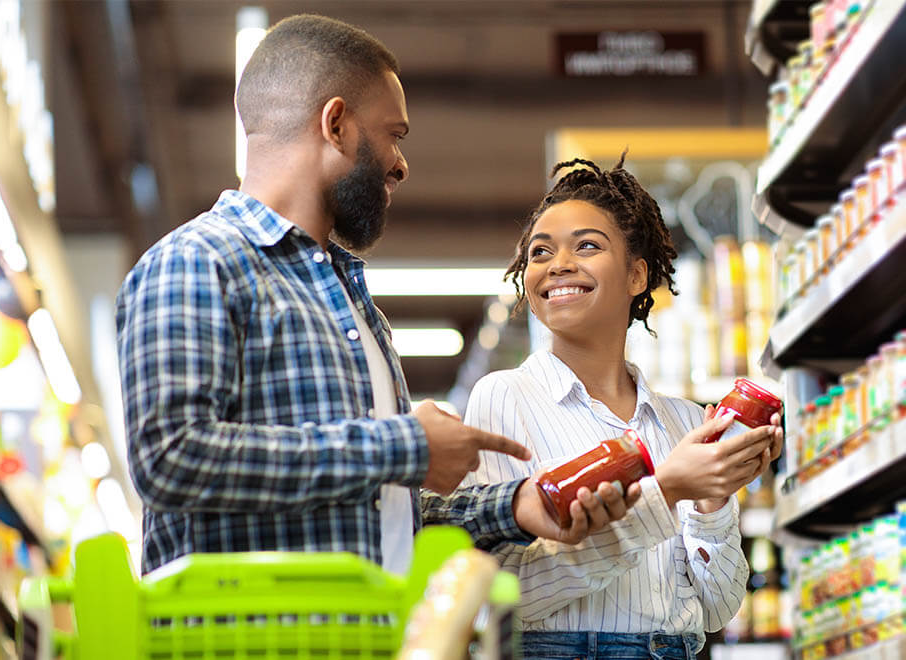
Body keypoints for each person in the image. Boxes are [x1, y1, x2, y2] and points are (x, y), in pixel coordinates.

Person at [115, 14, 635, 576]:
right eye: (394, 135)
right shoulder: (197, 262)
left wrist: (516, 506)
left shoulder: (352, 304)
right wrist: (404, 445)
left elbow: (382, 511)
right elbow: (170, 458)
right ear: (336, 124)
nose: (402, 164)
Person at [463, 155, 784, 659]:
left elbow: (720, 608)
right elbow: (509, 592)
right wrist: (668, 490)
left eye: (586, 245)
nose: (557, 264)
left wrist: (713, 498)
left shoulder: (682, 421)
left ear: (637, 276)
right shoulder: (505, 397)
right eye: (540, 252)